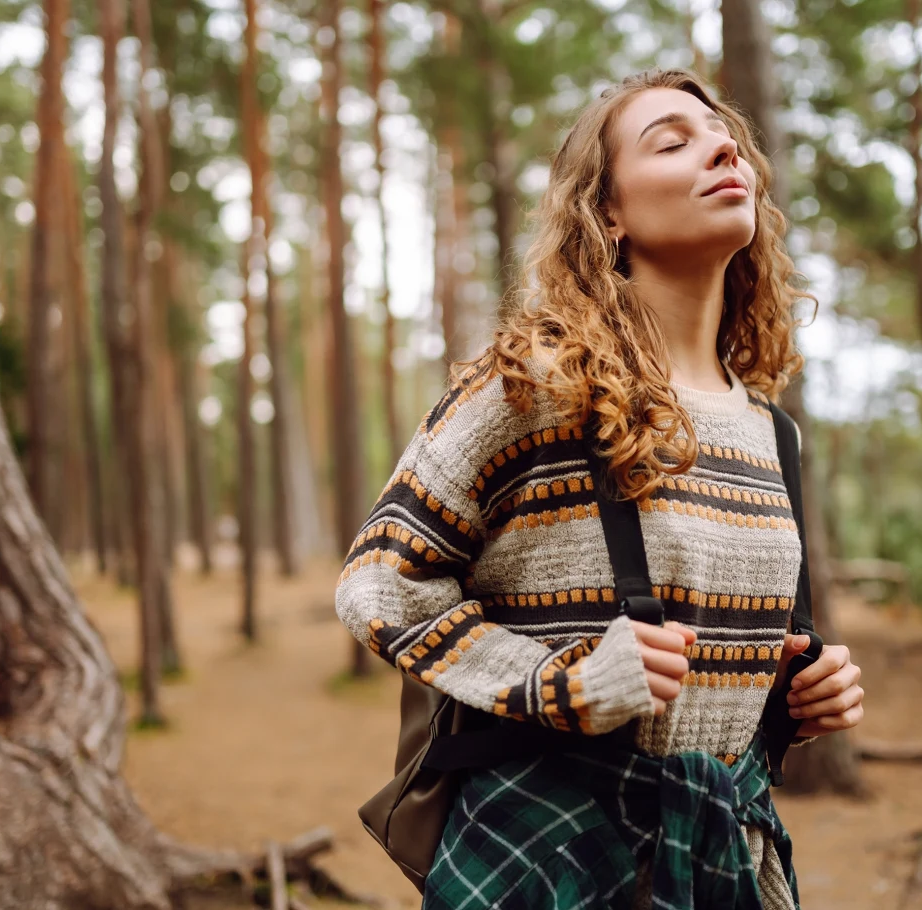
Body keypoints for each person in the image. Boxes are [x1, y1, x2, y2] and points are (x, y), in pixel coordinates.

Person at [335, 68, 864, 909]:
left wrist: (792, 700)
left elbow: (711, 674)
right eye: (672, 140)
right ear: (606, 213)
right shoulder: (532, 385)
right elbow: (379, 579)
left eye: (723, 135)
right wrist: (561, 684)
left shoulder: (774, 435)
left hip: (726, 851)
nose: (724, 145)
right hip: (552, 848)